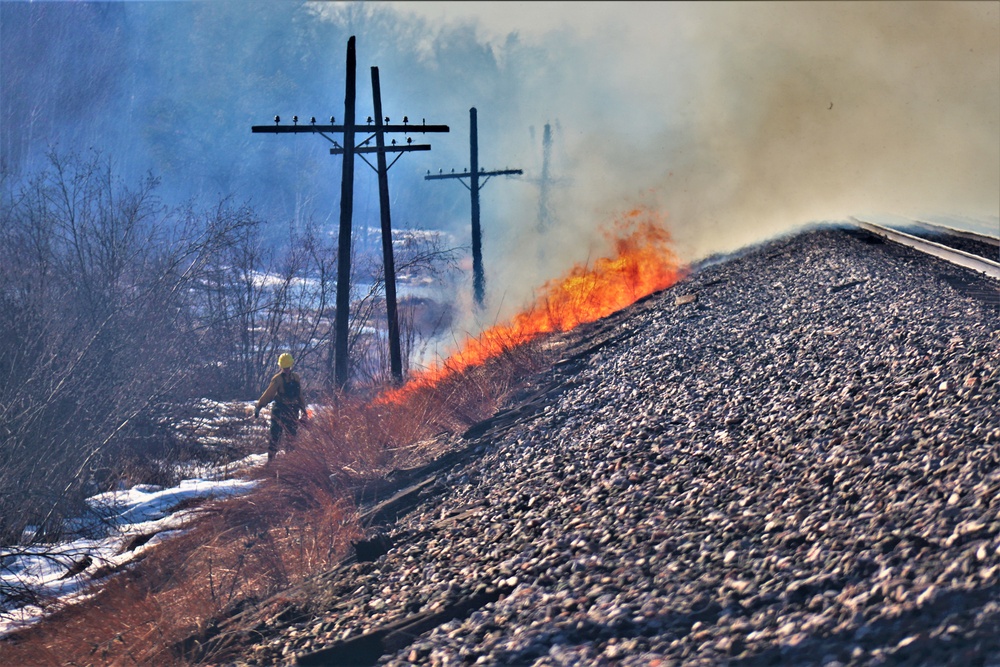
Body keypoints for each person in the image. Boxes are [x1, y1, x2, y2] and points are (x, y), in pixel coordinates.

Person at [254, 353, 306, 462]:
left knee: (291, 438)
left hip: (292, 411)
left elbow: (299, 394)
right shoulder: (277, 379)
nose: (286, 369)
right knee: (275, 437)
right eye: (285, 368)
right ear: (281, 367)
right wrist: (259, 406)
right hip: (280, 411)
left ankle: (289, 462)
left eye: (288, 367)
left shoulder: (296, 377)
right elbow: (269, 394)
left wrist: (303, 410)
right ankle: (271, 462)